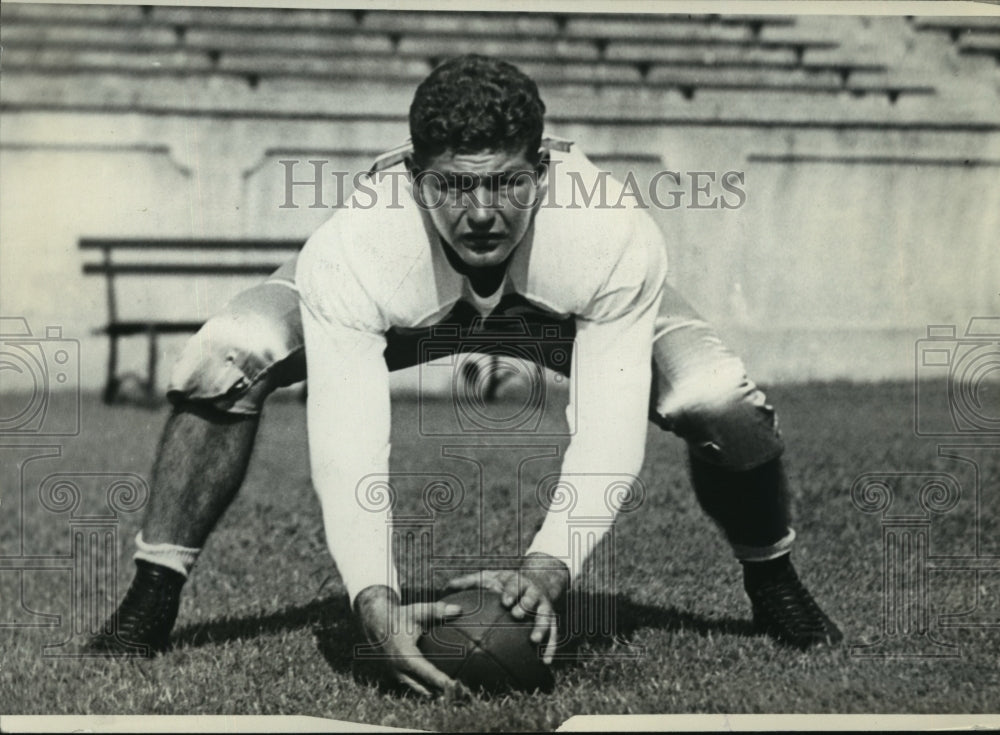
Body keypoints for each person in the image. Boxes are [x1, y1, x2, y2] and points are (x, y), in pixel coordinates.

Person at [88, 55, 842, 695]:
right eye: (453, 185)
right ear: (414, 179)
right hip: (409, 307)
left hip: (556, 309)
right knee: (229, 349)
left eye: (507, 183)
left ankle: (771, 575)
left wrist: (549, 567)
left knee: (719, 400)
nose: (482, 212)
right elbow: (350, 439)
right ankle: (152, 593)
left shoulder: (607, 232)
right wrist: (372, 595)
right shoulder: (359, 243)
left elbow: (608, 430)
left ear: (543, 171)